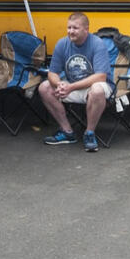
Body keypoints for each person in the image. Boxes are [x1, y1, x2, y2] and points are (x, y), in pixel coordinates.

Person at [39, 12, 113, 153]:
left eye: (75, 28)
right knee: (44, 87)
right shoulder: (62, 44)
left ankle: (89, 133)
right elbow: (52, 73)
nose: (70, 31)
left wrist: (70, 87)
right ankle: (67, 132)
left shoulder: (97, 44)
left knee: (97, 90)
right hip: (71, 86)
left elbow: (101, 77)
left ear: (86, 29)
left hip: (93, 87)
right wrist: (59, 84)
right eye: (69, 27)